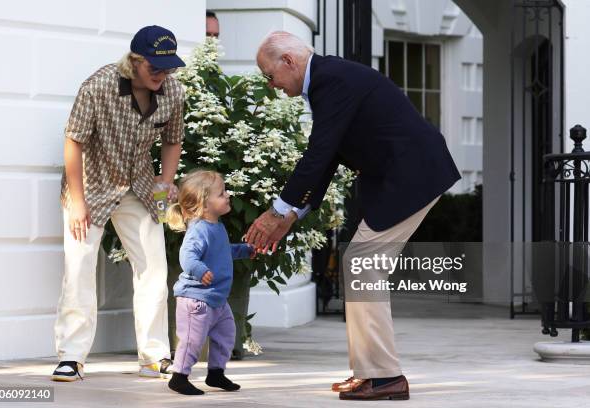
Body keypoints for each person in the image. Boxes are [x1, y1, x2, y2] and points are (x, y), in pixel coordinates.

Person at [246, 31, 461, 400]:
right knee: (361, 263)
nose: (272, 85)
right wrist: (291, 216)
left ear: (289, 62)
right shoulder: (328, 80)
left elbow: (318, 153)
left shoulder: (331, 80)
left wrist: (277, 211)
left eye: (270, 75)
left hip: (414, 175)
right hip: (405, 175)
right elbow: (328, 156)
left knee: (363, 263)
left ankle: (383, 377)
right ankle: (371, 373)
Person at [52, 25, 186, 382]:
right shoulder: (97, 87)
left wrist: (166, 182)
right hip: (90, 187)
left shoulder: (173, 92)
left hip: (139, 187)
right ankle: (72, 357)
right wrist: (78, 202)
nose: (163, 74)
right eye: (155, 67)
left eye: (168, 67)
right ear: (135, 62)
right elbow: (73, 143)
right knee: (79, 269)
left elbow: (173, 140)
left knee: (154, 269)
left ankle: (154, 357)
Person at [166, 170, 257, 396]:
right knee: (191, 341)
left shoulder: (216, 227)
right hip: (196, 300)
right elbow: (187, 256)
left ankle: (215, 373)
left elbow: (222, 252)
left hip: (216, 299)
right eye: (221, 193)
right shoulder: (199, 229)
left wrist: (245, 250)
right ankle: (179, 377)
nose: (227, 196)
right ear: (204, 205)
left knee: (226, 335)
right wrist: (200, 270)